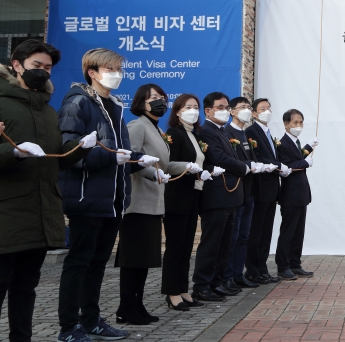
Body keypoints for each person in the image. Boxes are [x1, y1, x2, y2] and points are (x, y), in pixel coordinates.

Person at [56, 48, 159, 342]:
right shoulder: (78, 103)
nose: (117, 74)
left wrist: (137, 158)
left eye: (119, 69)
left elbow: (117, 150)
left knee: (97, 264)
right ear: (93, 72)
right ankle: (68, 328)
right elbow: (70, 152)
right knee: (79, 263)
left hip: (113, 200)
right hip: (86, 197)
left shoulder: (114, 106)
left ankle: (90, 320)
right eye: (111, 69)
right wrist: (111, 160)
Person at [0, 40, 94, 342]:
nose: (42, 72)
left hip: (41, 213)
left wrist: (79, 148)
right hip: (6, 214)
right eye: (36, 66)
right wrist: (11, 152)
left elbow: (55, 163)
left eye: (47, 68)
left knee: (26, 288)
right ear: (17, 66)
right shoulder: (2, 103)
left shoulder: (48, 111)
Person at [115, 84, 203, 325]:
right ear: (141, 102)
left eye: (161, 97)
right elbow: (130, 159)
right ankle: (126, 307)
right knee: (133, 260)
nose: (159, 101)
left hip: (154, 202)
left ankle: (137, 305)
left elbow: (163, 165)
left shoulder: (154, 129)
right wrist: (151, 173)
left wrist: (186, 167)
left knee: (144, 260)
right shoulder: (137, 126)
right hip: (138, 202)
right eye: (153, 98)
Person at [192, 92, 249, 302]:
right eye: (221, 107)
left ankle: (216, 282)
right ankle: (201, 285)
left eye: (226, 107)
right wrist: (243, 167)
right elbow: (218, 157)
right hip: (216, 196)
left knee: (225, 244)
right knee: (211, 243)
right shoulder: (206, 131)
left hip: (231, 195)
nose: (225, 111)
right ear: (208, 111)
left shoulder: (223, 131)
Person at [162, 94, 213, 311]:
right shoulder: (175, 133)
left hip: (193, 194)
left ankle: (183, 289)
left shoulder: (194, 134)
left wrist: (205, 173)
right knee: (175, 246)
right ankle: (172, 292)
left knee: (186, 246)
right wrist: (188, 168)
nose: (193, 110)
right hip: (177, 196)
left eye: (195, 107)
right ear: (177, 111)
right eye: (187, 107)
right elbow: (169, 163)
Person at [223, 97, 273, 291]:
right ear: (232, 111)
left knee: (244, 236)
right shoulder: (228, 133)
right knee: (233, 237)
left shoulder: (244, 134)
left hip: (249, 191)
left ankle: (238, 273)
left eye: (247, 107)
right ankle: (228, 276)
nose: (245, 110)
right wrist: (250, 166)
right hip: (235, 189)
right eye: (242, 107)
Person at [244, 98, 286, 284]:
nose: (267, 111)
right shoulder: (251, 131)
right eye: (262, 109)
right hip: (260, 188)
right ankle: (253, 270)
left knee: (266, 231)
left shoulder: (268, 132)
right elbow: (257, 157)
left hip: (271, 189)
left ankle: (262, 268)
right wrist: (278, 165)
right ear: (254, 113)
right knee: (257, 231)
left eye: (269, 108)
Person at [275, 109, 317, 281]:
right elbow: (288, 164)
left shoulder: (295, 142)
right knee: (288, 231)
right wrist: (305, 162)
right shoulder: (282, 143)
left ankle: (294, 262)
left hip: (301, 194)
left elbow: (297, 157)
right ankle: (283, 266)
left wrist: (308, 147)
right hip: (290, 195)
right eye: (295, 123)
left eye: (301, 122)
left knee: (299, 231)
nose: (298, 126)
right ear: (286, 124)